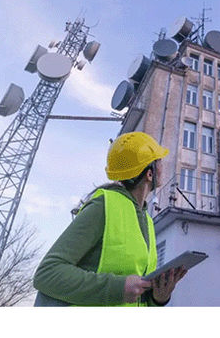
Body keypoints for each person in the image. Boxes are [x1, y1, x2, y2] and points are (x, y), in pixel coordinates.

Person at [33, 131, 186, 306]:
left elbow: (135, 293)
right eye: (159, 161)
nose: (162, 166)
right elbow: (47, 273)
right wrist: (117, 288)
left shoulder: (148, 221)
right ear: (149, 174)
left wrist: (157, 298)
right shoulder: (103, 206)